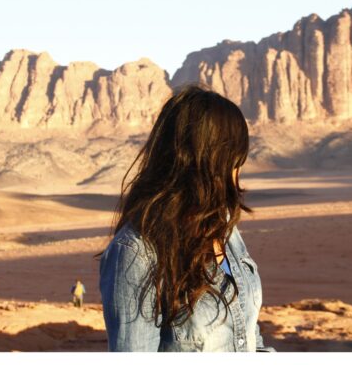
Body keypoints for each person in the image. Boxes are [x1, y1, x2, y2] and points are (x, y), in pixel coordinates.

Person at [99, 85, 273, 352]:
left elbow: (249, 334)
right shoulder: (137, 252)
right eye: (234, 159)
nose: (239, 169)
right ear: (206, 160)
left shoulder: (225, 228)